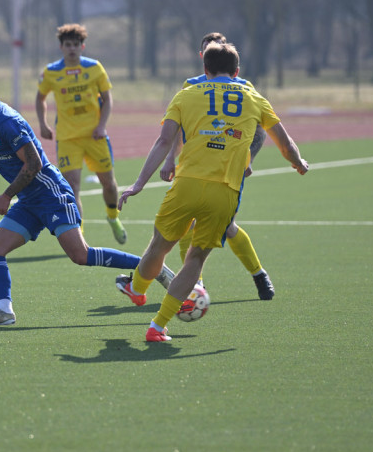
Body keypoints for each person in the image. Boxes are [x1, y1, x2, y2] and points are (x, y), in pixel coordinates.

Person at [0, 65, 173, 326]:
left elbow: (34, 164)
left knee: (80, 255)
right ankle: (3, 310)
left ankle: (152, 267)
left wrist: (6, 195)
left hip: (51, 193)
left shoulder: (6, 122)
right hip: (28, 200)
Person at [116, 42, 309, 342]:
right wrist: (298, 162)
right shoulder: (254, 97)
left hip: (187, 184)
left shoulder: (186, 94)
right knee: (195, 259)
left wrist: (138, 183)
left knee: (159, 246)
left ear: (204, 69)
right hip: (225, 191)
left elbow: (164, 141)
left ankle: (138, 289)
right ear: (237, 71)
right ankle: (157, 327)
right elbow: (285, 142)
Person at [160, 32, 275, 301]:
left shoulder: (243, 86)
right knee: (187, 226)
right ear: (203, 57)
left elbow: (260, 130)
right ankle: (196, 286)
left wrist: (250, 158)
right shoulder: (190, 87)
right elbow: (177, 129)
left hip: (226, 170)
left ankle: (258, 273)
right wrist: (169, 159)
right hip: (193, 168)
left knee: (228, 227)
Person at [35, 23, 127, 244]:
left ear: (82, 46)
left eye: (76, 44)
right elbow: (40, 99)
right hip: (68, 138)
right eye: (68, 45)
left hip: (95, 136)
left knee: (109, 183)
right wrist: (43, 124)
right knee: (72, 186)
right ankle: (80, 235)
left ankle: (113, 217)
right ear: (61, 47)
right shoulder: (51, 72)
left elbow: (107, 99)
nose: (72, 49)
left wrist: (102, 125)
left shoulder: (94, 68)